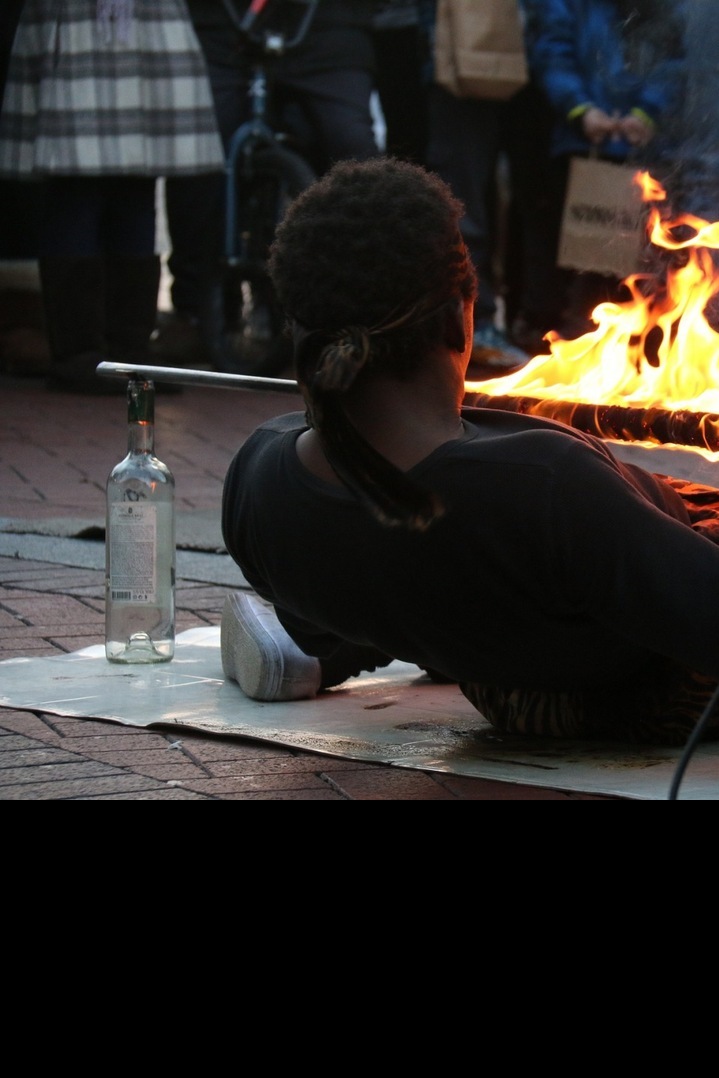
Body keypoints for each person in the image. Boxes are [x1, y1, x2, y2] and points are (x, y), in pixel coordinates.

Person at [220, 155, 719, 747]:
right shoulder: (546, 484)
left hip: (482, 652)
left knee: (425, 575)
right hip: (635, 691)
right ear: (459, 318)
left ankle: (320, 653)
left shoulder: (256, 478)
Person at [0, 0, 225, 393]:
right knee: (75, 181)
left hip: (144, 28)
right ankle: (79, 355)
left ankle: (129, 351)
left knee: (137, 179)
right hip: (80, 28)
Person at [158, 0, 380, 372]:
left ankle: (374, 311)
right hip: (223, 21)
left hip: (326, 23)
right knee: (199, 153)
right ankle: (193, 311)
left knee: (356, 153)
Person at [519, 0, 686, 339]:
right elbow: (552, 51)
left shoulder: (663, 9)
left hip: (644, 152)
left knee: (628, 256)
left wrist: (646, 113)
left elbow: (673, 62)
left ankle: (614, 335)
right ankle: (557, 330)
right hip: (578, 142)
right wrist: (580, 108)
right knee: (564, 244)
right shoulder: (570, 6)